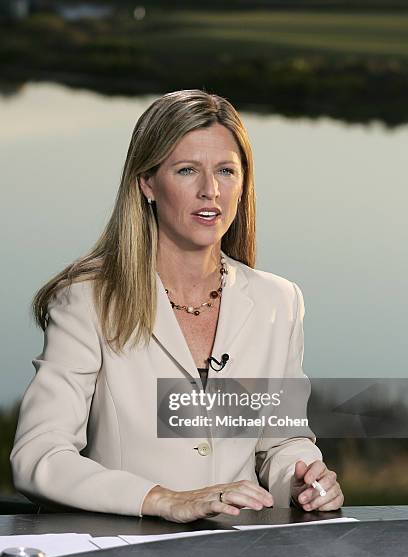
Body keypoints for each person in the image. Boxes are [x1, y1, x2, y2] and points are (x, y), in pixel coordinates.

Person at [11, 89, 344, 522]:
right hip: (124, 556)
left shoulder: (277, 301)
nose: (211, 191)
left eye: (226, 171)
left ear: (244, 184)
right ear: (147, 183)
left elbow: (280, 442)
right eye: (187, 170)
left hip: (235, 555)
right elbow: (39, 455)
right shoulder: (86, 298)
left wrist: (299, 481)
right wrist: (164, 499)